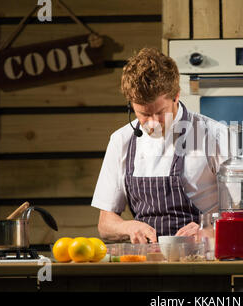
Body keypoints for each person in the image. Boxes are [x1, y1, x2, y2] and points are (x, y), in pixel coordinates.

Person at [91, 48, 228, 244]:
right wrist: (128, 226)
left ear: (177, 96)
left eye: (160, 112)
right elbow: (105, 224)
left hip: (203, 261)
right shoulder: (121, 140)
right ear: (131, 105)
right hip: (146, 264)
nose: (153, 123)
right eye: (144, 114)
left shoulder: (215, 135)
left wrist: (209, 231)